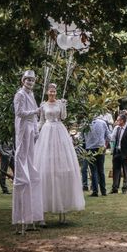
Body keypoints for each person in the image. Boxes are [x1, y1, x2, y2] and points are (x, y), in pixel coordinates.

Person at [33, 83, 85, 223]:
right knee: (44, 170)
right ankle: (41, 216)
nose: (52, 93)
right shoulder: (43, 105)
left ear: (56, 92)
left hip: (59, 131)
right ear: (47, 92)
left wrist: (63, 105)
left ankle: (63, 213)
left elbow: (63, 117)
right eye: (50, 91)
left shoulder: (60, 103)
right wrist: (35, 133)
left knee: (62, 168)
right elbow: (41, 121)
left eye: (54, 91)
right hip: (47, 132)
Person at [12, 70, 44, 232]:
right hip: (23, 133)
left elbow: (35, 118)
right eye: (28, 80)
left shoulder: (31, 95)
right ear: (23, 80)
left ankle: (32, 218)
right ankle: (22, 219)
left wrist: (37, 130)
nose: (30, 82)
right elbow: (20, 113)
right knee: (23, 169)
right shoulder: (20, 95)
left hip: (31, 133)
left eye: (32, 80)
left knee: (33, 171)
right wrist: (35, 112)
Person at [85, 114, 111, 197]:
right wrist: (105, 144)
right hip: (100, 148)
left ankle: (95, 191)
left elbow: (81, 138)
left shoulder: (85, 124)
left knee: (93, 171)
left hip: (90, 149)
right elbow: (109, 137)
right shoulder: (103, 123)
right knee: (101, 170)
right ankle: (103, 191)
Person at [111, 114, 127, 194]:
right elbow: (115, 140)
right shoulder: (117, 129)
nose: (117, 121)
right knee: (115, 170)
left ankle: (124, 188)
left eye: (118, 120)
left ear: (122, 121)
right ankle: (115, 188)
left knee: (126, 171)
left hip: (125, 153)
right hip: (117, 152)